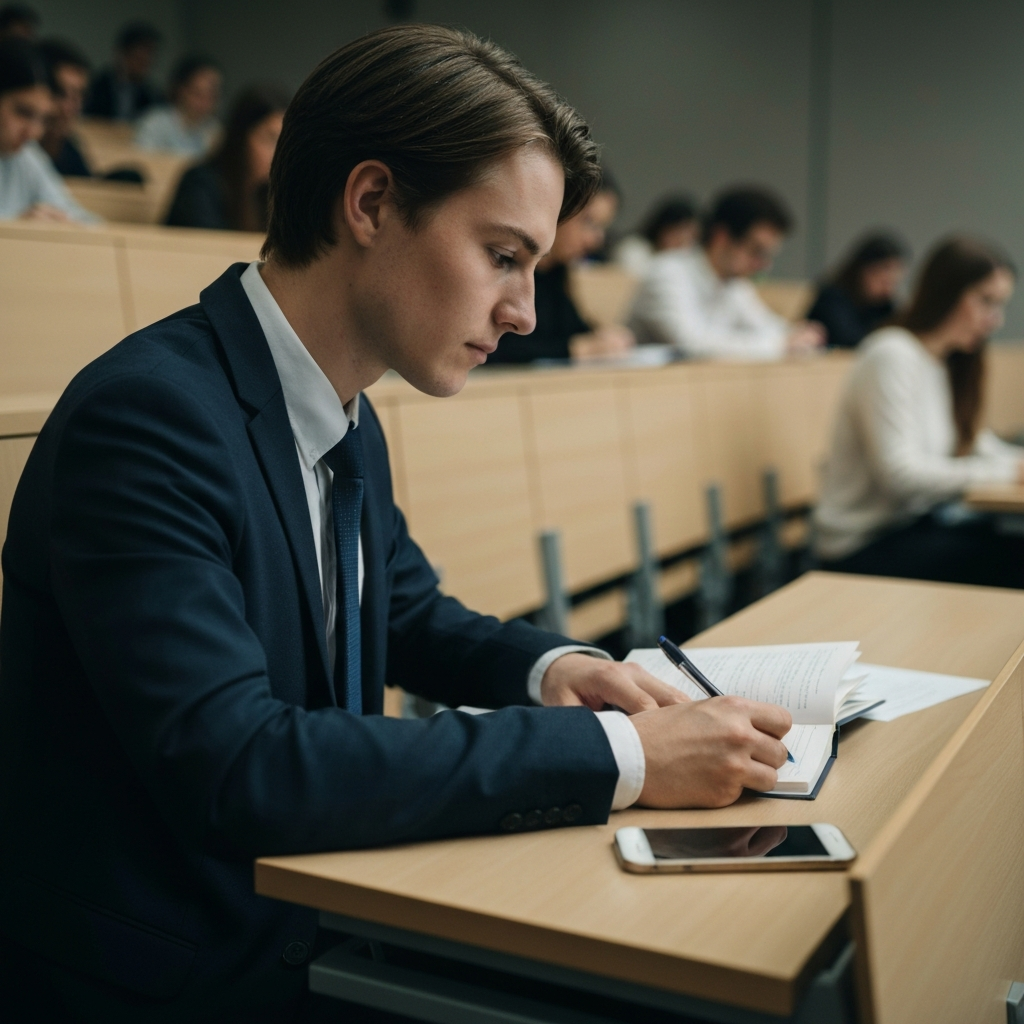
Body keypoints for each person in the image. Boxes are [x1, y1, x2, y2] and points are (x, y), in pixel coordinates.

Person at [0, 25, 792, 1022]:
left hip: (307, 930)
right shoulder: (148, 418)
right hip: (168, 978)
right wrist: (625, 760)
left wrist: (558, 670)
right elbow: (240, 763)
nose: (524, 312)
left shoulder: (346, 409)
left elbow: (407, 609)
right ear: (371, 202)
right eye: (503, 255)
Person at [813, 236, 1024, 587]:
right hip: (862, 546)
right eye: (986, 301)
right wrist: (1007, 472)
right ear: (947, 293)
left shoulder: (943, 363)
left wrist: (1015, 463)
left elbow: (976, 443)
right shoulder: (891, 354)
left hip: (913, 530)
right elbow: (900, 476)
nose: (995, 320)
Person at [629, 186, 824, 359]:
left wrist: (798, 335)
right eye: (757, 251)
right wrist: (780, 344)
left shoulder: (735, 284)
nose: (763, 265)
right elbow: (692, 345)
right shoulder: (666, 271)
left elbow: (771, 327)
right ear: (722, 237)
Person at [487, 170, 636, 363]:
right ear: (556, 209)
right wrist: (573, 349)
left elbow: (575, 331)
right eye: (589, 222)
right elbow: (494, 348)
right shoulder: (506, 268)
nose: (597, 240)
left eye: (602, 228)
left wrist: (603, 337)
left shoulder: (556, 271)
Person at [165, 84, 288, 231]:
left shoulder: (273, 195)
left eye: (285, 142)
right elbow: (208, 248)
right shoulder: (200, 184)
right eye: (270, 139)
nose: (280, 153)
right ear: (240, 138)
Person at [0, 37, 96, 221]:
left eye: (42, 118)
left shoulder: (25, 157)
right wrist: (17, 231)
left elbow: (84, 220)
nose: (35, 132)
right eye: (23, 112)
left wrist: (64, 223)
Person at [808, 232, 909, 349]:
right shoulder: (833, 297)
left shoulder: (884, 304)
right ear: (863, 271)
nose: (890, 280)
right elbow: (849, 340)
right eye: (884, 272)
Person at [135, 54, 221, 157]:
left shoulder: (215, 132)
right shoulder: (154, 123)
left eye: (212, 96)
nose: (204, 102)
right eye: (197, 94)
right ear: (181, 91)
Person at [84, 21, 162, 122]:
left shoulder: (152, 96)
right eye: (138, 58)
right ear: (122, 54)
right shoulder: (95, 87)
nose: (145, 63)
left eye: (148, 59)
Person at [37, 38, 91, 177]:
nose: (74, 108)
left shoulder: (68, 148)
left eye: (79, 96)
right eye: (61, 93)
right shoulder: (15, 151)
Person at [613, 193, 698, 276]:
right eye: (679, 234)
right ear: (663, 228)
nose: (683, 241)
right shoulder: (633, 249)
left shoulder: (688, 256)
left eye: (691, 237)